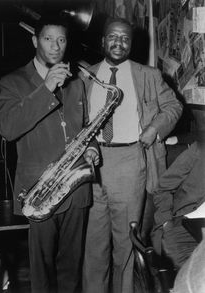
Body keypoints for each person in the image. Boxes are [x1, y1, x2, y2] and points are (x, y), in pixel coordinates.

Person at [0, 16, 99, 293]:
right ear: (34, 41)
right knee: (41, 271)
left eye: (61, 40)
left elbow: (85, 127)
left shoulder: (76, 82)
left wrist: (91, 148)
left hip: (75, 190)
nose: (55, 46)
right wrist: (46, 89)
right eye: (48, 39)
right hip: (40, 191)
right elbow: (7, 128)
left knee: (71, 268)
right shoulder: (12, 82)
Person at [80, 17, 183, 293]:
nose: (119, 43)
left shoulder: (148, 74)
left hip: (130, 161)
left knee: (126, 243)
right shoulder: (84, 76)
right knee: (93, 244)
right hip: (91, 163)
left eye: (125, 38)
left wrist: (154, 129)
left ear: (131, 44)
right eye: (113, 37)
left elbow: (174, 106)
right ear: (102, 41)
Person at [151, 135, 205, 270]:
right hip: (183, 228)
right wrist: (166, 222)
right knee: (194, 275)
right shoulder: (199, 150)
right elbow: (163, 188)